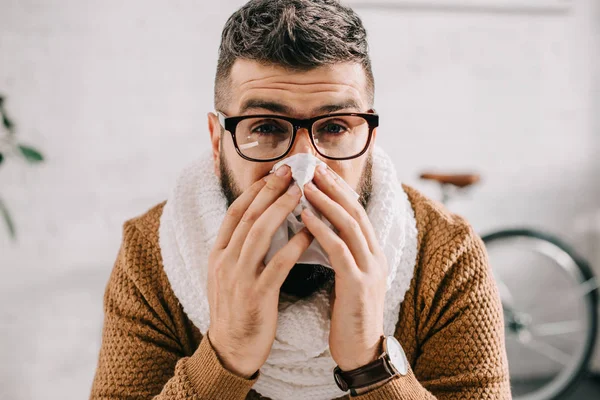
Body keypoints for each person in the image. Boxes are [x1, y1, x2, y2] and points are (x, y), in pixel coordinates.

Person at [89, 0, 510, 399]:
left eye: (335, 127)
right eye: (267, 127)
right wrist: (226, 356)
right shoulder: (152, 254)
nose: (303, 170)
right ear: (218, 143)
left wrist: (370, 361)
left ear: (369, 141)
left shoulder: (448, 255)